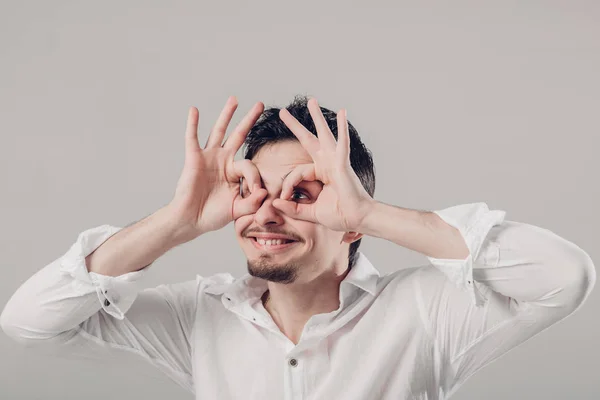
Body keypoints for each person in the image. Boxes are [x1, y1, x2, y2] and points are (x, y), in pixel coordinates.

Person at [0, 95, 595, 400]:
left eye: (304, 193)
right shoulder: (196, 317)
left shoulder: (424, 312)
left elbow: (564, 277)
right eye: (249, 189)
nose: (267, 211)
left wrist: (371, 213)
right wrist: (176, 223)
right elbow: (30, 324)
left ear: (351, 216)